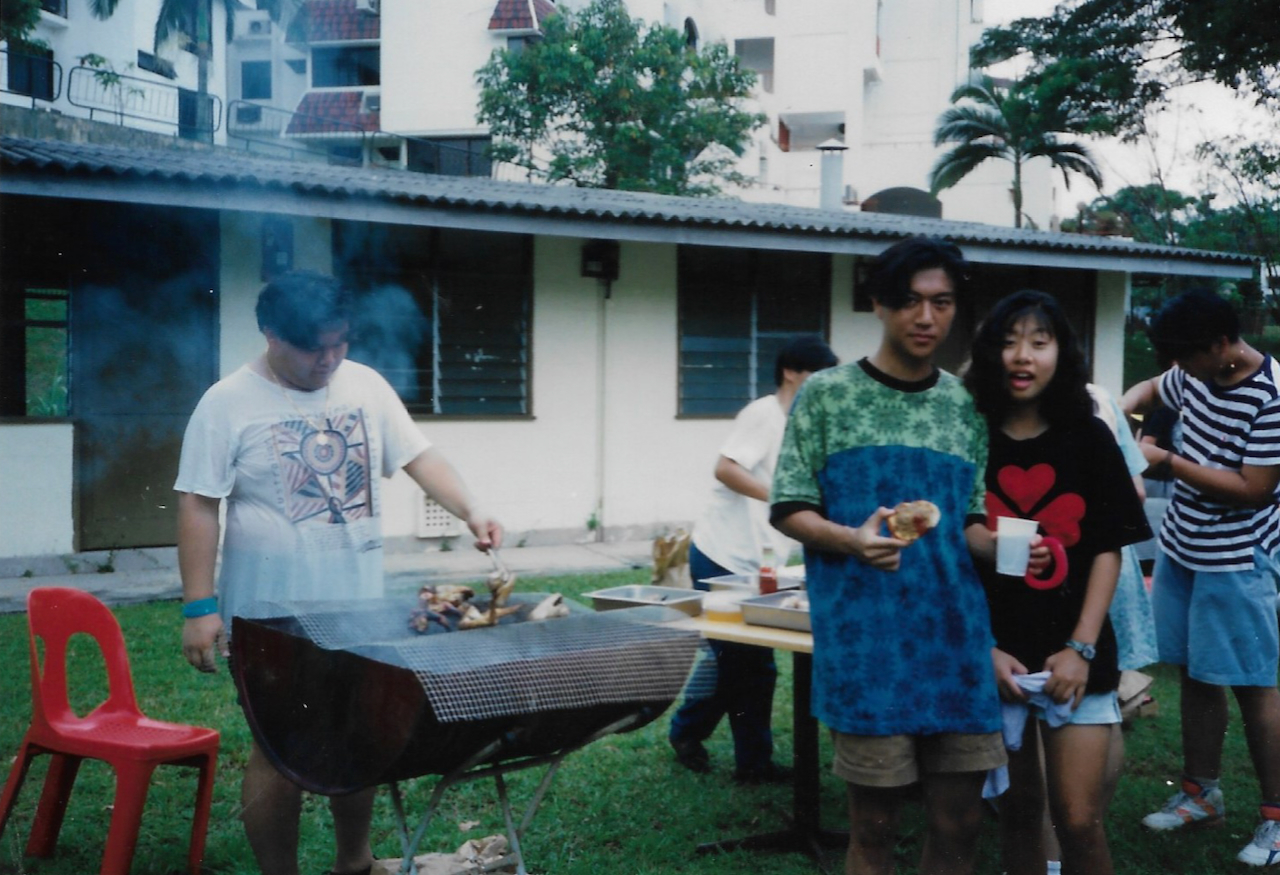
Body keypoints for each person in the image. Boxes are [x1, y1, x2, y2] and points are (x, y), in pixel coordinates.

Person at [174, 270, 503, 875]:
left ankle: (356, 862)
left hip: (358, 603)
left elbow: (418, 455)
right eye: (313, 347)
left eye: (340, 342)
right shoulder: (227, 402)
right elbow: (198, 502)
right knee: (280, 748)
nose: (329, 358)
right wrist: (200, 606)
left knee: (362, 733)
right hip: (273, 612)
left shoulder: (365, 385)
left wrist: (471, 507)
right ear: (272, 334)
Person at [770, 237, 1006, 875]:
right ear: (877, 304)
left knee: (959, 824)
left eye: (941, 302)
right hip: (867, 646)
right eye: (908, 302)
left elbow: (970, 520)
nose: (926, 318)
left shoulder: (964, 405)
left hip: (957, 645)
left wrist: (1015, 547)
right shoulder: (827, 395)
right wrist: (850, 539)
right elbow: (789, 505)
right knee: (873, 832)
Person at [964, 290, 1150, 875]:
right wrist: (984, 649)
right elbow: (956, 540)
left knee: (1077, 819)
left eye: (1038, 342)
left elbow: (1107, 550)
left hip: (1077, 654)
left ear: (1059, 353)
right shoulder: (971, 436)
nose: (1022, 356)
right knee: (1018, 813)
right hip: (999, 655)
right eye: (1009, 341)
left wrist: (1081, 649)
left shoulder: (1089, 436)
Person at [1121, 290, 1280, 868]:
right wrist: (1115, 412)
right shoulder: (1194, 371)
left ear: (1221, 345)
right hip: (1184, 548)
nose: (1180, 370)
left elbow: (1253, 489)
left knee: (1254, 686)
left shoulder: (1271, 396)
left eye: (1187, 357)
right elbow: (1150, 389)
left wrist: (1166, 461)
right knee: (1194, 673)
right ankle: (1200, 795)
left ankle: (1276, 819)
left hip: (1239, 559)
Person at [668, 335, 838, 783]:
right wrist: (783, 498)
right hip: (721, 556)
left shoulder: (800, 423)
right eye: (817, 377)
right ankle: (747, 760)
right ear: (791, 372)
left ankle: (697, 736)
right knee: (747, 664)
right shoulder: (764, 414)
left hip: (761, 562)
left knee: (739, 663)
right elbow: (726, 467)